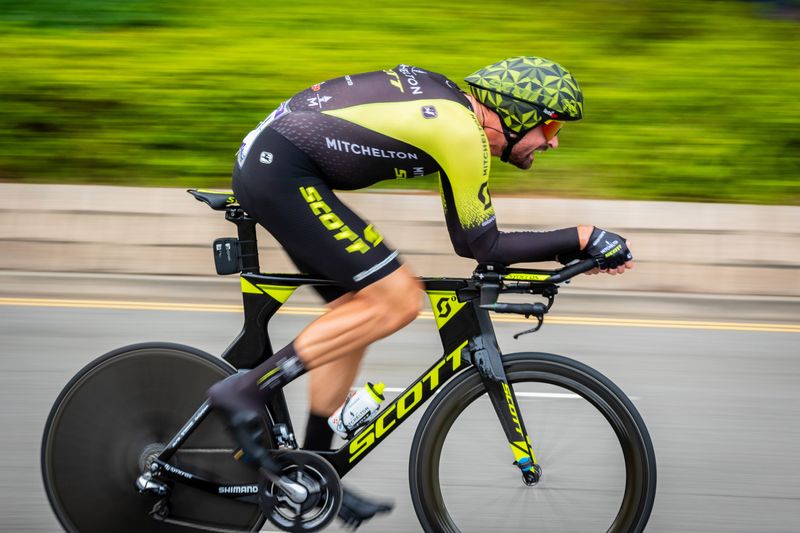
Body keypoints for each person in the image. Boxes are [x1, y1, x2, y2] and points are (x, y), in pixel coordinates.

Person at [207, 56, 634, 528]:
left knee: (361, 308)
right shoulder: (460, 132)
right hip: (281, 171)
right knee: (399, 299)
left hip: (275, 162)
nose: (552, 141)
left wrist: (570, 247)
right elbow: (484, 245)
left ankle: (312, 467)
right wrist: (581, 237)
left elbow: (470, 242)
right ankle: (245, 390)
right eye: (550, 125)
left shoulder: (453, 117)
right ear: (516, 114)